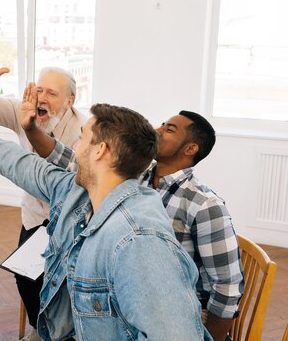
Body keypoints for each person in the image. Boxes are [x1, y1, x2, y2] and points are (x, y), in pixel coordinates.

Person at [0, 73, 210, 340]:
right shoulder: (78, 191)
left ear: (100, 151)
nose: (76, 146)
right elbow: (23, 164)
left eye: (83, 138)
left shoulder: (140, 241)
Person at [21, 85, 244, 341]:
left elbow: (226, 290)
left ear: (190, 149)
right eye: (161, 124)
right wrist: (31, 129)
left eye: (169, 129)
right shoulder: (134, 176)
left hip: (178, 315)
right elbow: (69, 159)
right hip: (125, 293)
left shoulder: (205, 205)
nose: (158, 130)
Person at [0, 37, 85, 341]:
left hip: (73, 221)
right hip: (35, 215)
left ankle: (68, 331)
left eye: (52, 93)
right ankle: (39, 328)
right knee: (26, 277)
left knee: (68, 281)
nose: (42, 98)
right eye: (39, 89)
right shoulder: (24, 109)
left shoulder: (86, 129)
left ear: (70, 100)